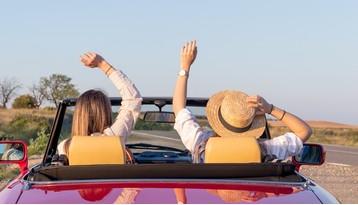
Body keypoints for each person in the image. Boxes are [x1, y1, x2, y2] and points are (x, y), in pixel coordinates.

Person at [173, 40, 313, 163]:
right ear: (252, 125)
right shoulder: (266, 150)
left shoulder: (201, 144)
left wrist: (184, 67)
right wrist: (270, 108)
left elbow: (179, 110)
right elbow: (304, 131)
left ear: (218, 120)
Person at [58, 52, 142, 156]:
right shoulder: (115, 137)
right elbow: (133, 99)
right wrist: (102, 64)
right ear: (105, 113)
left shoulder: (64, 147)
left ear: (78, 116)